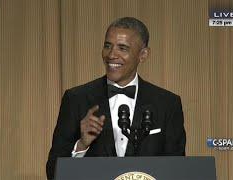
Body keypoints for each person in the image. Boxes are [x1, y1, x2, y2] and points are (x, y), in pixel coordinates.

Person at [46, 17, 186, 179]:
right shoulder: (77, 99)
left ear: (143, 54)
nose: (111, 55)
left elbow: (177, 170)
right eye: (107, 46)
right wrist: (81, 145)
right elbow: (53, 171)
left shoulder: (167, 103)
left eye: (122, 48)